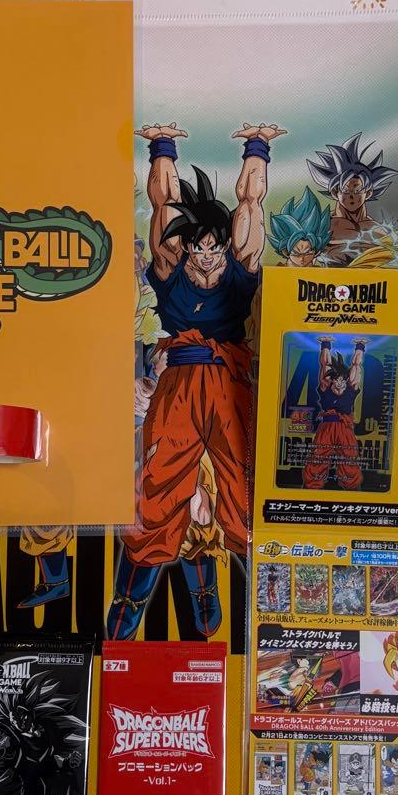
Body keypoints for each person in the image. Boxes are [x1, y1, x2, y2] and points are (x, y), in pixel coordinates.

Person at [107, 120, 286, 640]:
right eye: (199, 247)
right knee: (159, 491)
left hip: (230, 386)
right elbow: (163, 204)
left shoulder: (240, 267)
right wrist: (161, 147)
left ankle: (275, 615)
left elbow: (250, 204)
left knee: (244, 494)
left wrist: (258, 148)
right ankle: (125, 618)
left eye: (215, 247)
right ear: (186, 247)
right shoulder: (170, 270)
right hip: (179, 386)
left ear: (225, 247)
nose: (207, 256)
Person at [307, 134, 398, 265]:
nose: (351, 196)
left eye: (357, 191)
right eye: (345, 191)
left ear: (368, 193)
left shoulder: (379, 230)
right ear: (335, 192)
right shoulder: (321, 226)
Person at [303, 338, 365, 490]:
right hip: (327, 427)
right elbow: (325, 364)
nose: (339, 383)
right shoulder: (326, 386)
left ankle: (352, 488)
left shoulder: (350, 388)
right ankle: (312, 487)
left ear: (345, 379)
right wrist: (325, 345)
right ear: (333, 380)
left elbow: (356, 365)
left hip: (344, 428)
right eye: (336, 380)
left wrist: (360, 346)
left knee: (349, 456)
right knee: (318, 456)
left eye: (342, 380)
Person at [267, 187, 331, 267]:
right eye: (296, 253)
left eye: (308, 253)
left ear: (316, 252)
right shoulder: (276, 271)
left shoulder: (320, 271)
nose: (302, 259)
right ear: (285, 252)